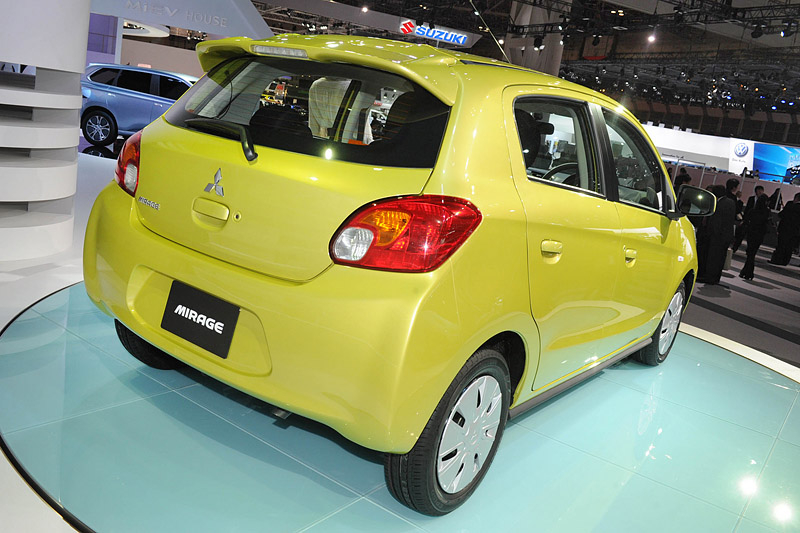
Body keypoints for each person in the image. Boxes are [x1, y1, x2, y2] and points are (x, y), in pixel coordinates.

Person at [697, 184, 736, 284]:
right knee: (720, 258)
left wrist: (711, 233)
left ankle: (710, 278)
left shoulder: (719, 204)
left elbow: (716, 222)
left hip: (718, 236)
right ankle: (716, 278)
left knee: (713, 257)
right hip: (727, 235)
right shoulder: (730, 202)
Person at [738, 195, 771, 280]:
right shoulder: (766, 212)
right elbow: (768, 223)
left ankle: (746, 272)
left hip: (751, 234)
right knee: (752, 254)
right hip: (759, 235)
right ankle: (747, 272)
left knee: (750, 253)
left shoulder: (752, 211)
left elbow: (746, 220)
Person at [769, 192, 800, 265]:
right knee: (789, 247)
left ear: (796, 198)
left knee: (781, 245)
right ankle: (785, 261)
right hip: (795, 231)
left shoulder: (790, 205)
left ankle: (777, 260)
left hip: (785, 229)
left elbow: (781, 214)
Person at [733, 185, 765, 252]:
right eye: (759, 190)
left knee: (751, 238)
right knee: (741, 235)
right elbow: (747, 209)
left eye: (761, 191)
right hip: (748, 220)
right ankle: (735, 248)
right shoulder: (751, 199)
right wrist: (744, 219)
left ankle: (748, 250)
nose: (760, 192)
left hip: (755, 222)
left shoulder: (763, 200)